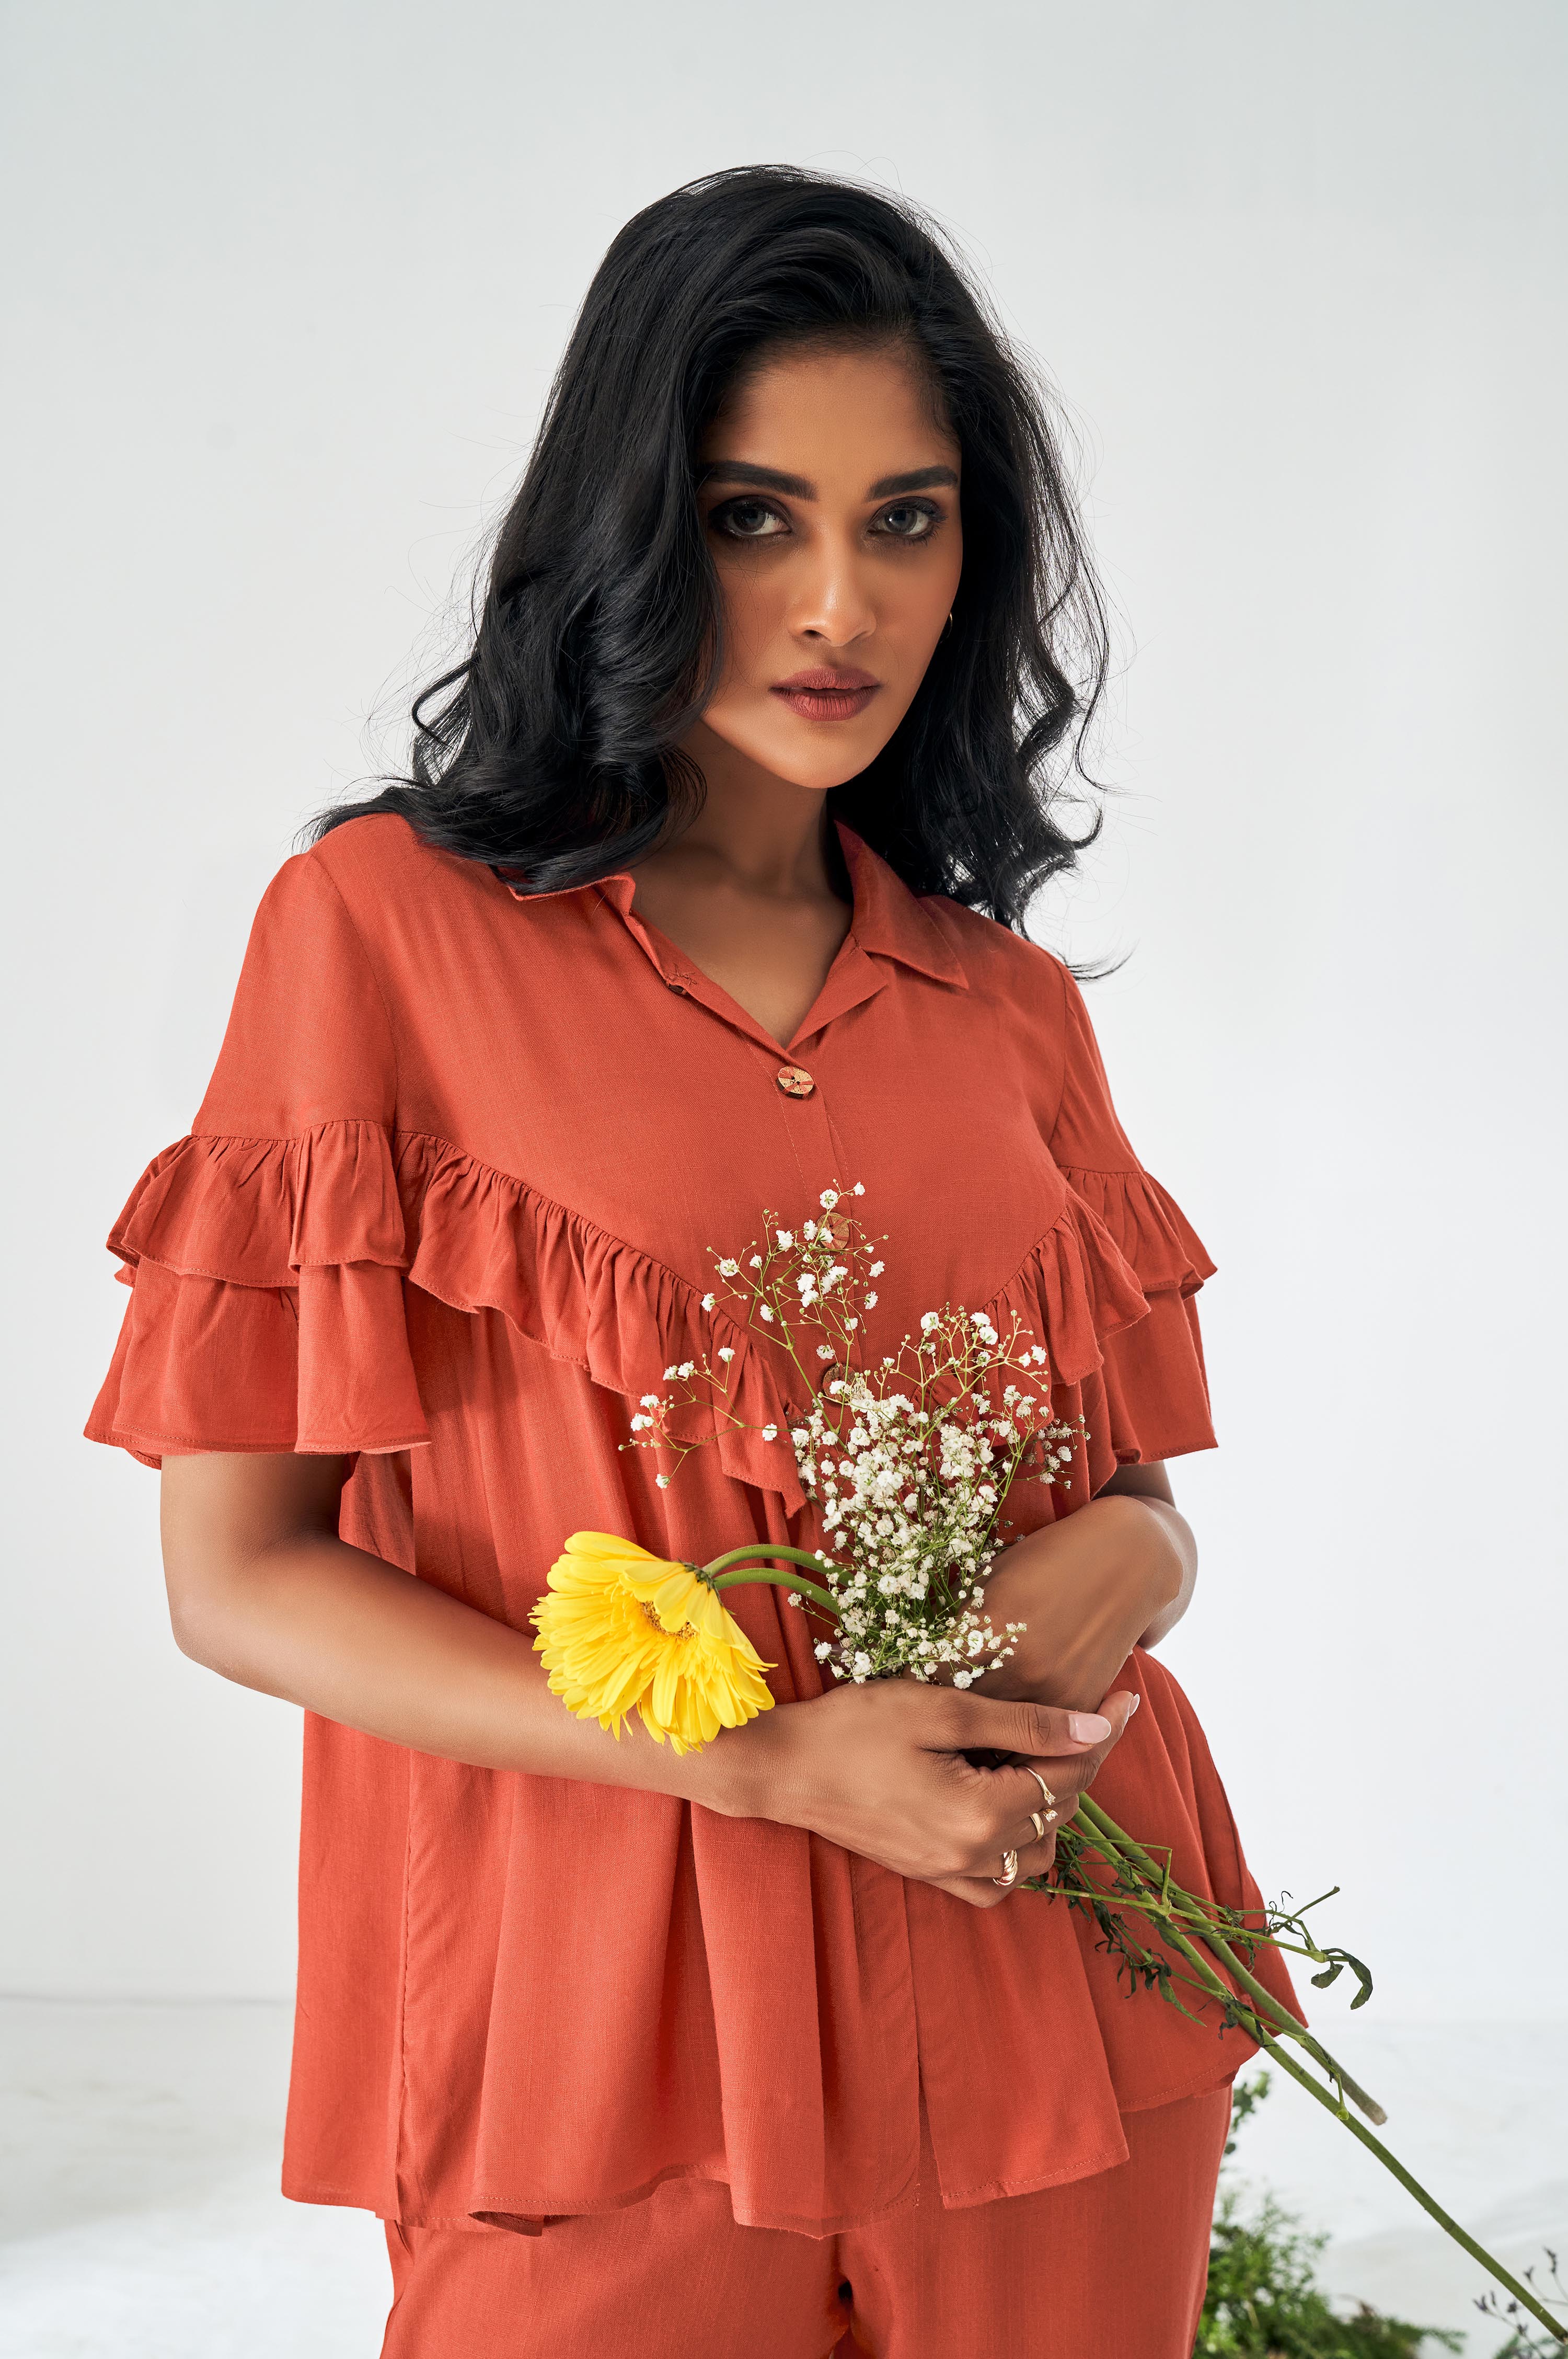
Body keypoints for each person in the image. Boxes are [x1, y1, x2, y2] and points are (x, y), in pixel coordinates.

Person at [87, 166, 1295, 2358]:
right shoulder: (382, 937)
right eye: (756, 518)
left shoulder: (1011, 1008)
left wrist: (1127, 1562)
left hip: (1060, 1981)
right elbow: (238, 1576)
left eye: (907, 520)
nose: (840, 603)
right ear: (633, 530)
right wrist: (757, 1763)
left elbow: (1133, 1504)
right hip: (596, 2032)